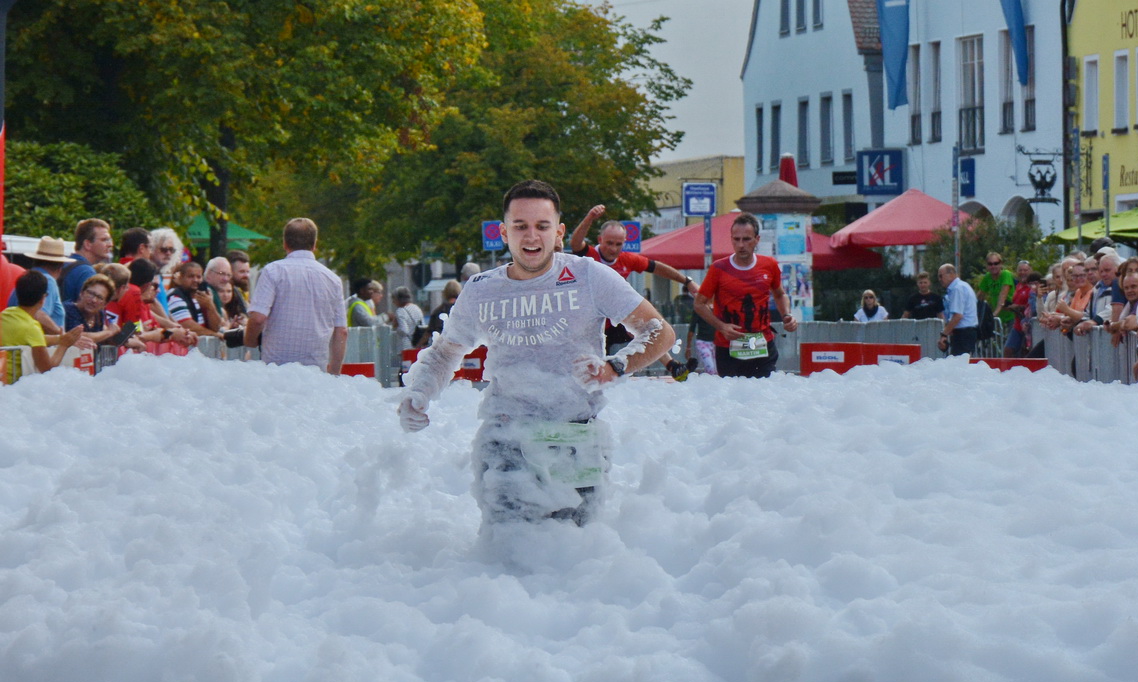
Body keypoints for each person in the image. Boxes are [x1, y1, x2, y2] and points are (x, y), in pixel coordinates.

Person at [398, 180, 674, 530]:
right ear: (503, 232)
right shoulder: (482, 290)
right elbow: (446, 351)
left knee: (575, 557)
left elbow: (659, 332)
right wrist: (419, 391)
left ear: (558, 232)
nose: (531, 237)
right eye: (520, 226)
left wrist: (615, 366)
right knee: (511, 553)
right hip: (507, 440)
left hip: (576, 439)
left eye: (542, 226)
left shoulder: (588, 276)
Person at [693, 213, 797, 377]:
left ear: (757, 239)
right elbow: (699, 304)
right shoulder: (719, 268)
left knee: (765, 394)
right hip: (728, 347)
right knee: (734, 398)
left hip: (762, 343)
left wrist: (787, 315)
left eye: (746, 239)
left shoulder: (769, 265)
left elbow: (779, 294)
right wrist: (722, 326)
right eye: (736, 239)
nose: (741, 245)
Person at [244, 218, 347, 374]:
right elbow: (341, 331)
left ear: (285, 243)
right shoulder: (333, 279)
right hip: (315, 370)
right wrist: (334, 373)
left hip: (276, 368)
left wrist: (249, 341)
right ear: (314, 245)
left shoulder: (272, 271)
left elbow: (258, 318)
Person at [2, 271, 89, 373]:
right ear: (43, 299)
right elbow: (47, 370)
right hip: (16, 384)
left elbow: (27, 338)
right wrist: (64, 345)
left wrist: (60, 338)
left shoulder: (6, 314)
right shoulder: (32, 328)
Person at [163, 259, 224, 337]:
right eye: (191, 276)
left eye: (198, 277)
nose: (195, 280)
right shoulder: (175, 297)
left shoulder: (202, 298)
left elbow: (216, 327)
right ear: (181, 278)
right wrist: (214, 335)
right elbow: (188, 326)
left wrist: (210, 306)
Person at [58, 218, 112, 304]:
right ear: (87, 244)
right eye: (104, 240)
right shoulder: (86, 272)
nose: (110, 244)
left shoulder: (65, 263)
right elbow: (88, 311)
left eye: (109, 240)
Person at [937, 262, 979, 356]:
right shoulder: (963, 286)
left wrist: (944, 334)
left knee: (959, 366)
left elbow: (957, 316)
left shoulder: (957, 289)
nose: (940, 279)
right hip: (965, 332)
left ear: (951, 274)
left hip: (963, 333)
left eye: (941, 276)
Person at [974, 252, 1015, 341]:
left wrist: (993, 315)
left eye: (996, 263)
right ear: (987, 266)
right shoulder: (987, 277)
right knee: (994, 344)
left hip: (1011, 315)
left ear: (1001, 264)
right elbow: (979, 296)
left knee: (1010, 346)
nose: (993, 266)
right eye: (990, 264)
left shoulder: (1005, 274)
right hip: (998, 318)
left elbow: (1002, 295)